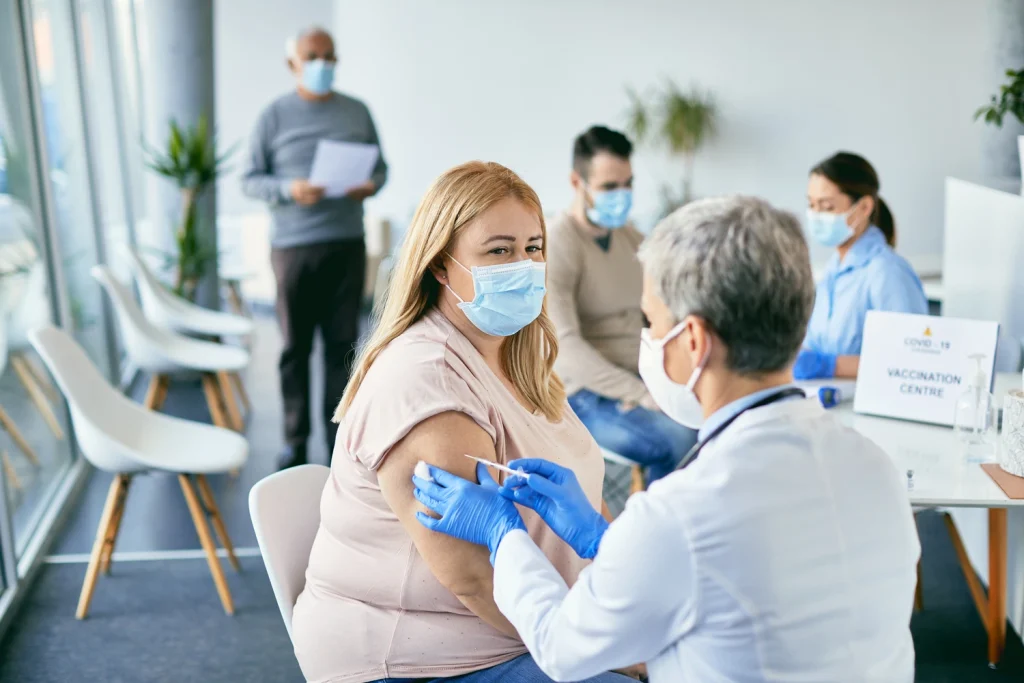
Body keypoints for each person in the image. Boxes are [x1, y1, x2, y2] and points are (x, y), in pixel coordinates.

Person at [414, 196, 921, 682]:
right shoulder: (874, 465)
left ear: (694, 342)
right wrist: (601, 539)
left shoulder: (682, 513)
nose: (649, 339)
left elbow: (561, 647)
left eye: (652, 321)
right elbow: (730, 583)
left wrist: (504, 537)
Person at [290, 161, 631, 683]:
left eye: (533, 247)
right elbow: (475, 578)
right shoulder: (425, 380)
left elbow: (589, 494)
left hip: (528, 623)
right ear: (441, 268)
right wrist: (609, 648)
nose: (524, 264)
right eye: (499, 250)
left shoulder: (519, 356)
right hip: (420, 657)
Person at [240, 26, 388, 468]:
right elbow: (250, 179)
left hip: (346, 242)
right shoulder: (273, 116)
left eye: (329, 56)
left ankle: (339, 438)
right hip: (294, 247)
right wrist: (289, 189)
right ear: (293, 64)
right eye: (312, 56)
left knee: (343, 345)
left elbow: (381, 169)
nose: (322, 64)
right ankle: (294, 439)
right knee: (294, 348)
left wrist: (370, 185)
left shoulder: (357, 112)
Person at [547, 125, 695, 483]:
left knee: (712, 422)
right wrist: (640, 394)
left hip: (640, 378)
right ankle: (654, 534)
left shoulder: (632, 240)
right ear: (576, 182)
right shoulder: (556, 244)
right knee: (677, 439)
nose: (623, 195)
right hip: (583, 394)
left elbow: (667, 315)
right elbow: (565, 349)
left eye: (628, 184)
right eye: (609, 187)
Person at [796, 151, 927, 380]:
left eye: (826, 207)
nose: (816, 216)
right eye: (812, 205)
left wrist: (829, 366)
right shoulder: (833, 270)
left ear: (864, 207)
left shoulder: (886, 272)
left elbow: (910, 361)